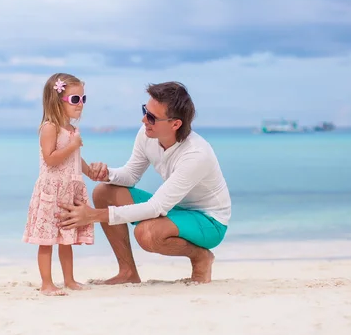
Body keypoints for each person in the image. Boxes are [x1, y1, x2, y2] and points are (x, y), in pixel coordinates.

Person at [56, 81, 231, 284]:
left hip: (209, 221)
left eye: (151, 117)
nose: (143, 120)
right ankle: (128, 273)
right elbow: (130, 175)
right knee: (104, 192)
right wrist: (105, 174)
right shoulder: (148, 133)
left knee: (146, 234)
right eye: (145, 111)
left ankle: (201, 257)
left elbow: (156, 207)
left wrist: (93, 216)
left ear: (175, 124)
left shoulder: (196, 155)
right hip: (176, 210)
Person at [22, 73, 95, 296]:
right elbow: (51, 158)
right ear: (57, 100)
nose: (80, 104)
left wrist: (89, 171)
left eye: (83, 99)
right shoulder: (49, 127)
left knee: (66, 239)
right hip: (51, 191)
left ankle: (69, 280)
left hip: (68, 190)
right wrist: (73, 146)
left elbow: (74, 159)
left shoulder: (72, 130)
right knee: (47, 240)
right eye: (75, 99)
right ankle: (46, 284)